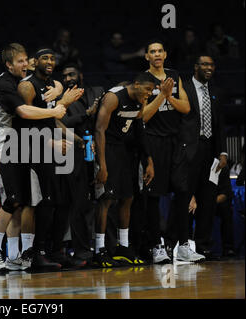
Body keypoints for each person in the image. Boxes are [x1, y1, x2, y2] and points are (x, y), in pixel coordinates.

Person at [0, 43, 80, 271]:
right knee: (13, 199)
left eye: (26, 60)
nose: (24, 64)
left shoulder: (25, 80)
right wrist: (57, 108)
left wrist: (56, 91)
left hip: (25, 143)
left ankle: (16, 254)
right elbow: (25, 113)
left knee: (26, 201)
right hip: (6, 143)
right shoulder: (5, 83)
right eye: (19, 61)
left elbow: (52, 84)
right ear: (9, 64)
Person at [141, 39, 204, 263]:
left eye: (160, 50)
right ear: (147, 56)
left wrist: (168, 96)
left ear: (165, 54)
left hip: (176, 141)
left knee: (182, 192)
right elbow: (144, 116)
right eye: (152, 51)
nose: (157, 54)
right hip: (154, 141)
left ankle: (183, 244)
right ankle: (156, 246)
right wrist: (162, 95)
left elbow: (186, 108)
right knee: (155, 196)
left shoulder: (174, 74)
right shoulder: (143, 79)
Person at [94, 73, 154, 268]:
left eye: (151, 91)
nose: (149, 94)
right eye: (147, 90)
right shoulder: (113, 97)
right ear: (136, 84)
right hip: (107, 148)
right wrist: (102, 165)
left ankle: (124, 247)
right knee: (106, 199)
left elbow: (140, 130)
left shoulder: (140, 101)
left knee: (128, 197)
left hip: (124, 151)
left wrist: (148, 160)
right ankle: (100, 249)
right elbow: (99, 130)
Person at [179, 54, 228, 259]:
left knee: (207, 200)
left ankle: (203, 246)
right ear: (195, 67)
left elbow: (220, 125)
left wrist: (223, 152)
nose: (209, 67)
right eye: (205, 64)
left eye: (211, 64)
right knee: (184, 199)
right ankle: (181, 244)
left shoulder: (216, 92)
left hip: (210, 151)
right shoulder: (185, 88)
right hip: (189, 149)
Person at [60, 64, 104, 264]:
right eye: (65, 76)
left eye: (71, 74)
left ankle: (103, 248)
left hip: (98, 151)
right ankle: (82, 251)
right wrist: (86, 114)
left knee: (102, 201)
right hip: (73, 154)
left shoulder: (97, 92)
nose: (68, 78)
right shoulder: (62, 99)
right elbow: (61, 123)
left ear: (81, 74)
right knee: (79, 204)